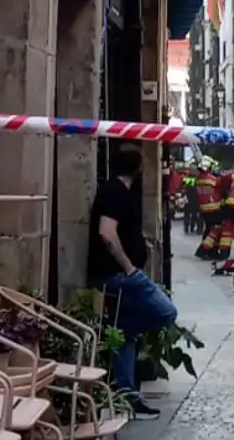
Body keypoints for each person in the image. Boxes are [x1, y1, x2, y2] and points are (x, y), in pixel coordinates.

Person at [87, 142, 176, 417]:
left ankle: (126, 394)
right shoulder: (115, 193)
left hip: (116, 276)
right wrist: (129, 268)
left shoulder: (116, 191)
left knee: (124, 336)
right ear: (139, 168)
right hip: (120, 277)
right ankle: (122, 331)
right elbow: (106, 232)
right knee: (166, 311)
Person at [192, 161, 226, 259]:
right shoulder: (212, 179)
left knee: (208, 230)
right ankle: (203, 250)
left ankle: (212, 252)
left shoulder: (198, 180)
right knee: (215, 230)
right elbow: (221, 186)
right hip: (213, 208)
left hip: (204, 209)